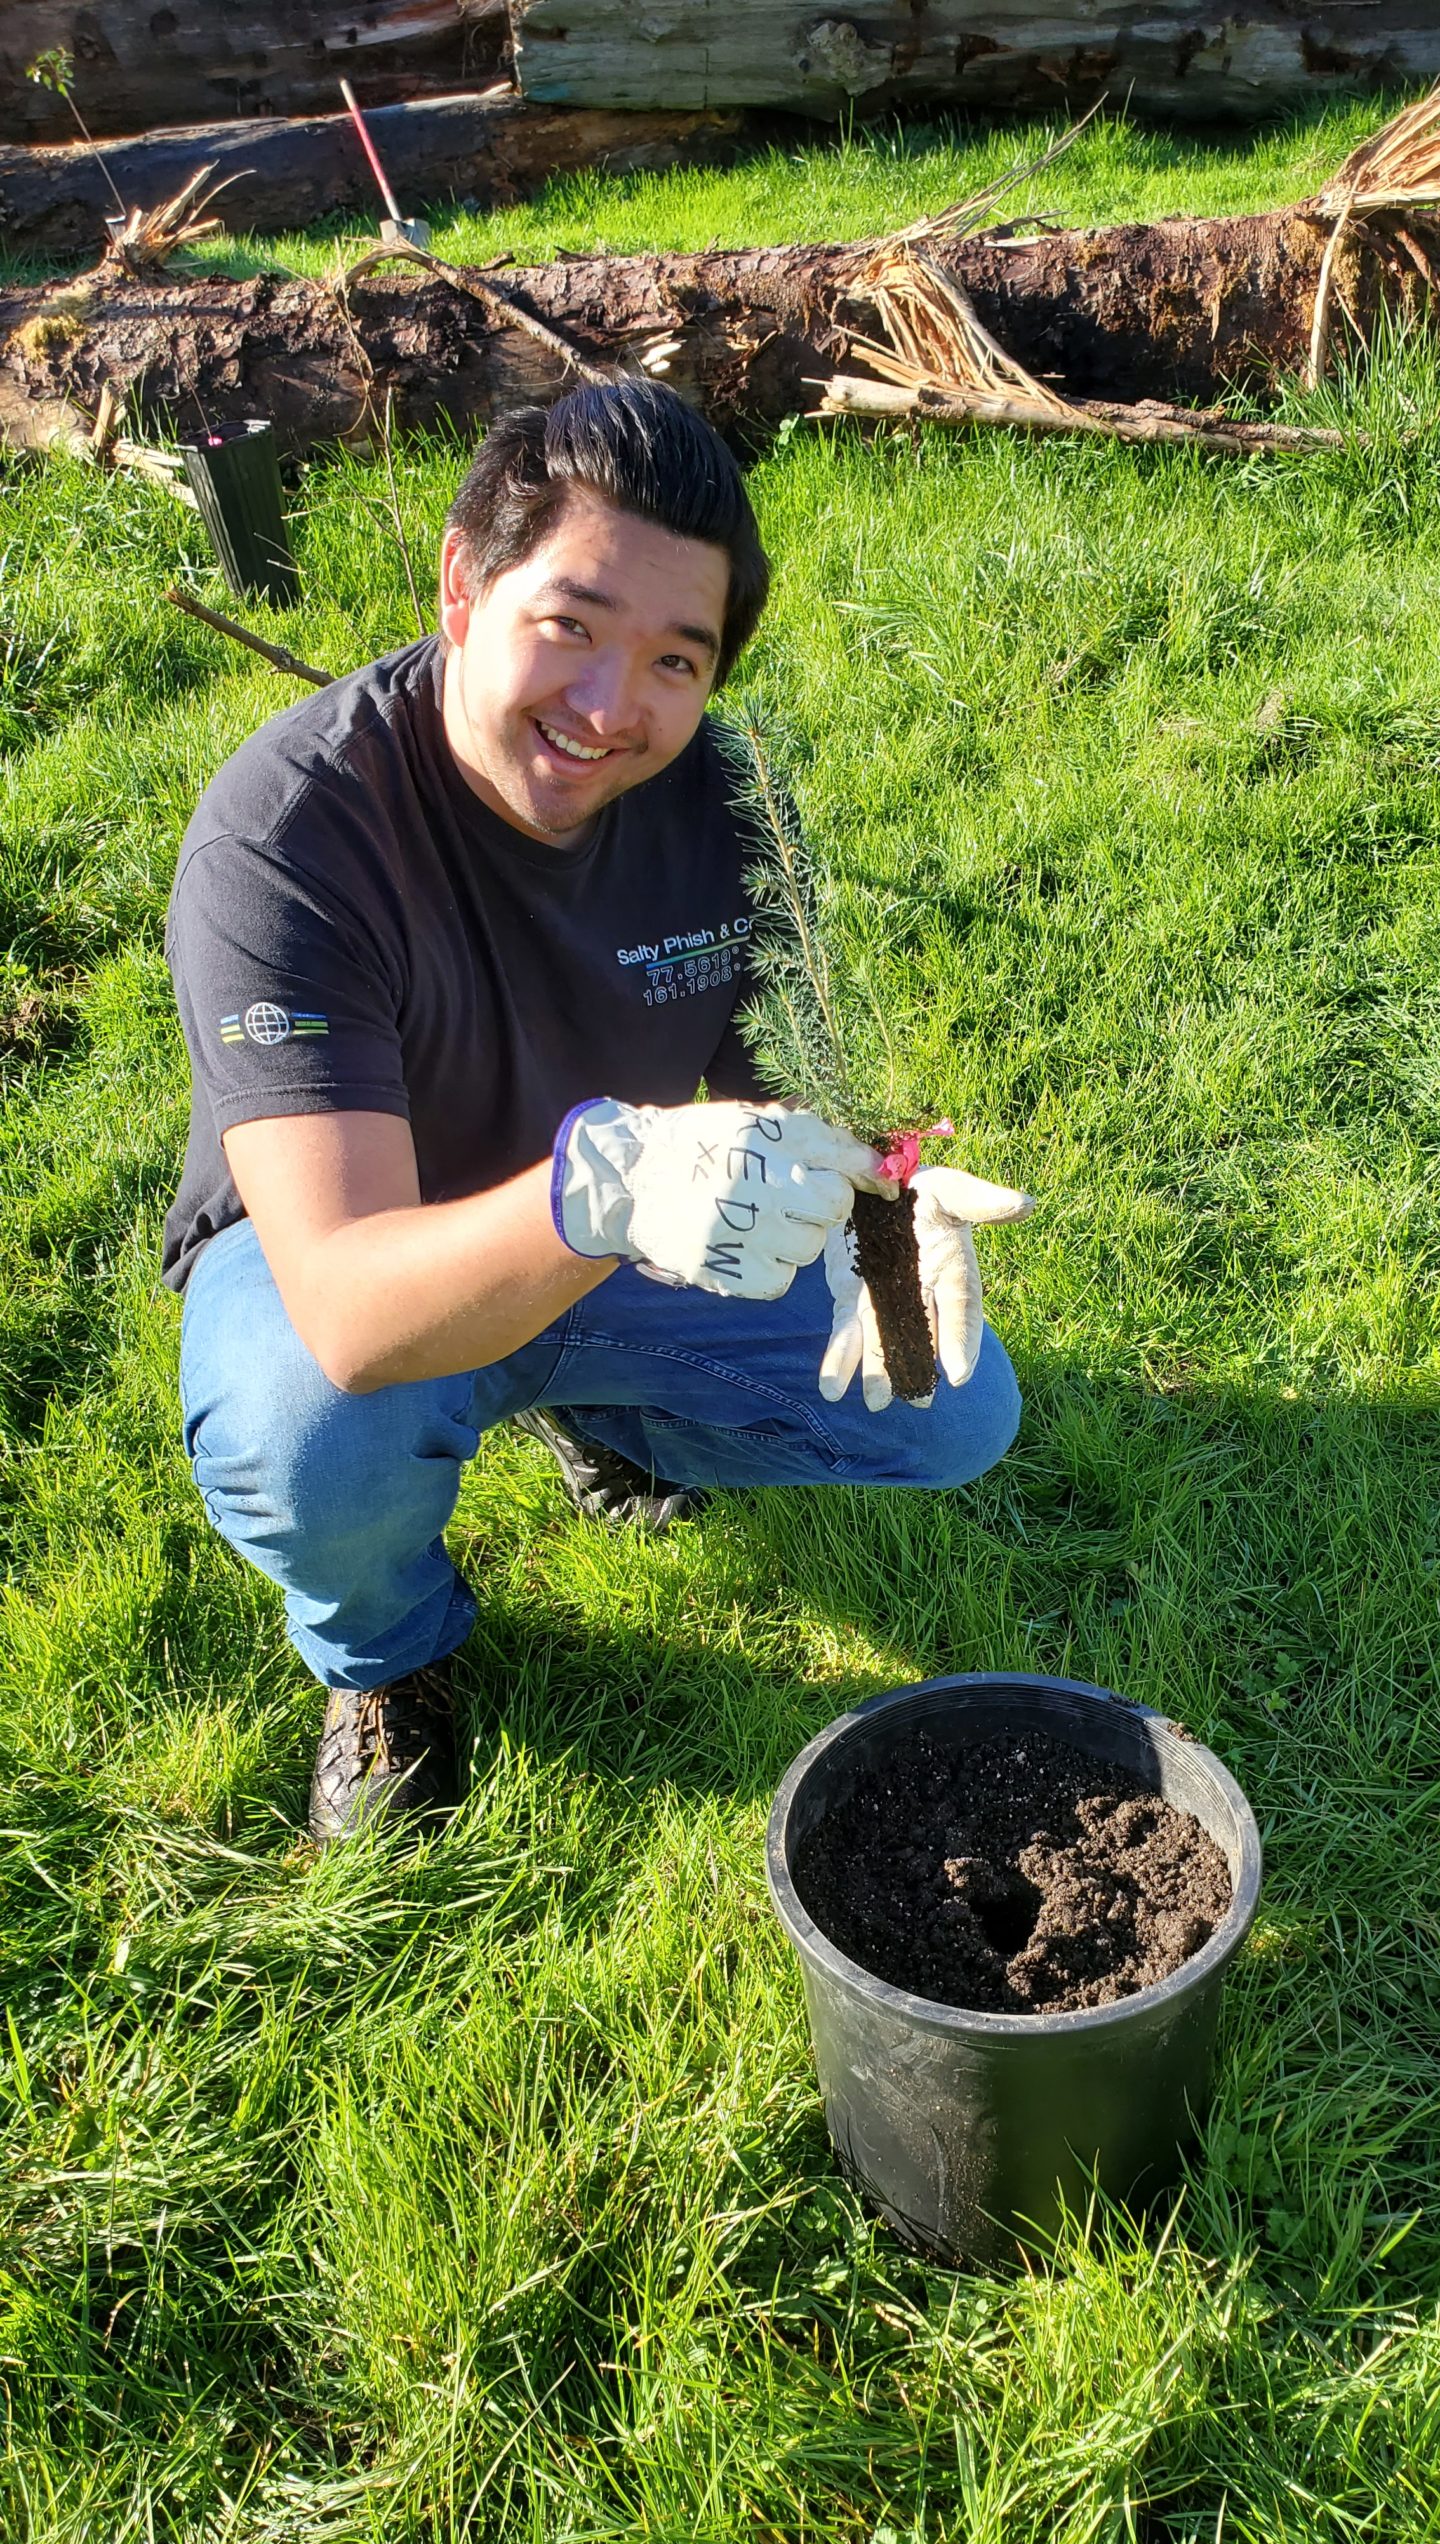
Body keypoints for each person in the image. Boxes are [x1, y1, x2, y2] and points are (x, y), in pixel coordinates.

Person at [164, 380, 1029, 1843]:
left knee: (950, 1408)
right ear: (462, 587)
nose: (613, 709)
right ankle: (391, 1658)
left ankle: (599, 1407)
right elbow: (353, 1310)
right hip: (358, 1252)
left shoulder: (728, 799)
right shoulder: (287, 840)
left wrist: (883, 1197)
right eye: (570, 625)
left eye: (675, 661)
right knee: (309, 1430)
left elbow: (782, 1090)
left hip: (635, 1214)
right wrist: (598, 1188)